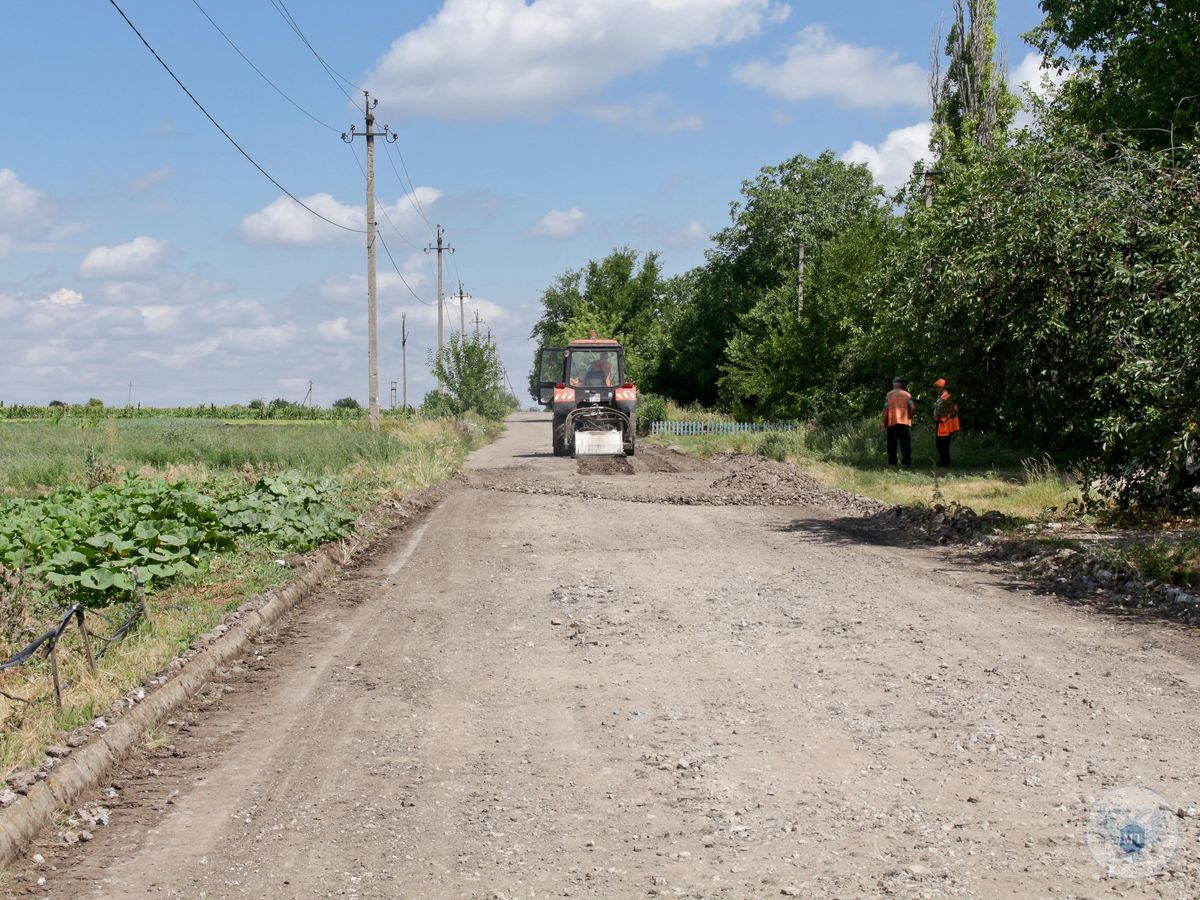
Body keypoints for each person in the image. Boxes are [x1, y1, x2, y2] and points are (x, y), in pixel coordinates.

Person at [883, 376, 915, 468]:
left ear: (894, 384)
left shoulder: (889, 395)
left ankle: (892, 463)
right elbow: (912, 407)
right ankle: (906, 463)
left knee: (892, 444)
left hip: (892, 422)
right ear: (901, 385)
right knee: (905, 443)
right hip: (904, 422)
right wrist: (910, 416)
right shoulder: (907, 395)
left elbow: (885, 409)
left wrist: (882, 422)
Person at [933, 377, 960, 467]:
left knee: (942, 444)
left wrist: (937, 417)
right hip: (947, 423)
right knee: (944, 443)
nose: (936, 389)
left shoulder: (944, 398)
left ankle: (945, 463)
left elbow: (939, 411)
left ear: (941, 388)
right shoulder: (947, 397)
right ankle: (945, 462)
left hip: (943, 423)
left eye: (937, 387)